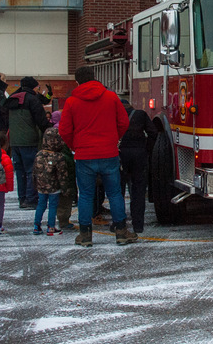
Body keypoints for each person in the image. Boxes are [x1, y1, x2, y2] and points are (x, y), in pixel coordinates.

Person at [58, 66, 132, 247]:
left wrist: (75, 146)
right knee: (114, 193)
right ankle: (121, 231)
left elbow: (64, 130)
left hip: (84, 155)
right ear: (94, 77)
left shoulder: (72, 102)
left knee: (85, 195)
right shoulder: (111, 97)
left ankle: (85, 235)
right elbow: (123, 122)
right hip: (108, 152)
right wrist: (114, 139)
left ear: (77, 81)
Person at [3, 77, 51, 209]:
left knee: (20, 171)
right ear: (33, 87)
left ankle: (22, 199)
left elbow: (6, 119)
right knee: (31, 170)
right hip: (29, 140)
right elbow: (41, 120)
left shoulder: (12, 98)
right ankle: (31, 199)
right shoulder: (32, 99)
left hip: (15, 141)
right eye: (37, 87)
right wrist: (50, 130)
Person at [119, 98, 157, 234]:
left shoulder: (114, 115)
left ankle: (120, 223)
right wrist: (146, 148)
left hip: (120, 155)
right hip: (139, 155)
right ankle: (138, 225)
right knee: (138, 190)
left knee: (118, 191)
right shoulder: (140, 114)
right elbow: (153, 133)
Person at [32, 127, 68, 236]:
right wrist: (65, 188)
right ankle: (51, 226)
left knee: (41, 205)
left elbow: (34, 171)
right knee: (53, 206)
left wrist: (35, 184)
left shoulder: (39, 154)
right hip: (54, 187)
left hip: (41, 186)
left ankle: (36, 225)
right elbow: (62, 175)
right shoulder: (58, 156)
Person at [50, 110, 79, 232]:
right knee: (65, 196)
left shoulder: (49, 131)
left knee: (54, 198)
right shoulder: (64, 130)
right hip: (65, 168)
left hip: (51, 169)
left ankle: (51, 222)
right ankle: (64, 220)